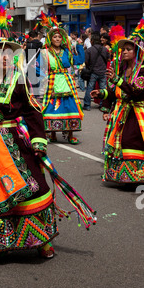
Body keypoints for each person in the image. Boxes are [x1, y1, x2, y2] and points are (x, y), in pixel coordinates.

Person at [0, 0, 96, 263]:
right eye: (0, 52)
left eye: (10, 52)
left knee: (35, 187)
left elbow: (32, 112)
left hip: (18, 144)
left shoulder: (19, 81)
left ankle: (40, 240)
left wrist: (40, 140)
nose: (6, 57)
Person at [91, 20, 144, 184]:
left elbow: (137, 93)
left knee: (131, 140)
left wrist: (117, 80)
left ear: (136, 52)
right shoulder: (120, 69)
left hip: (136, 113)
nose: (125, 52)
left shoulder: (142, 70)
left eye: (129, 49)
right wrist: (102, 93)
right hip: (120, 112)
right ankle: (120, 175)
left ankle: (136, 176)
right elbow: (115, 92)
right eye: (123, 49)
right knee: (117, 143)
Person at [39, 13, 84, 144]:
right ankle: (52, 133)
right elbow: (38, 69)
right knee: (51, 107)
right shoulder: (44, 52)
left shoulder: (67, 52)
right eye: (55, 36)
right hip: (51, 81)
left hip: (66, 81)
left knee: (70, 107)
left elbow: (79, 60)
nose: (57, 39)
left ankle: (70, 134)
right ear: (50, 39)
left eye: (59, 37)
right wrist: (43, 83)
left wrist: (79, 46)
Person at [83, 31, 109, 111]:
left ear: (92, 41)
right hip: (103, 72)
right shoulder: (105, 49)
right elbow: (108, 59)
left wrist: (89, 67)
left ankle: (87, 105)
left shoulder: (89, 50)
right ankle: (103, 105)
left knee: (89, 88)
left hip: (93, 72)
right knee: (103, 89)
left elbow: (86, 61)